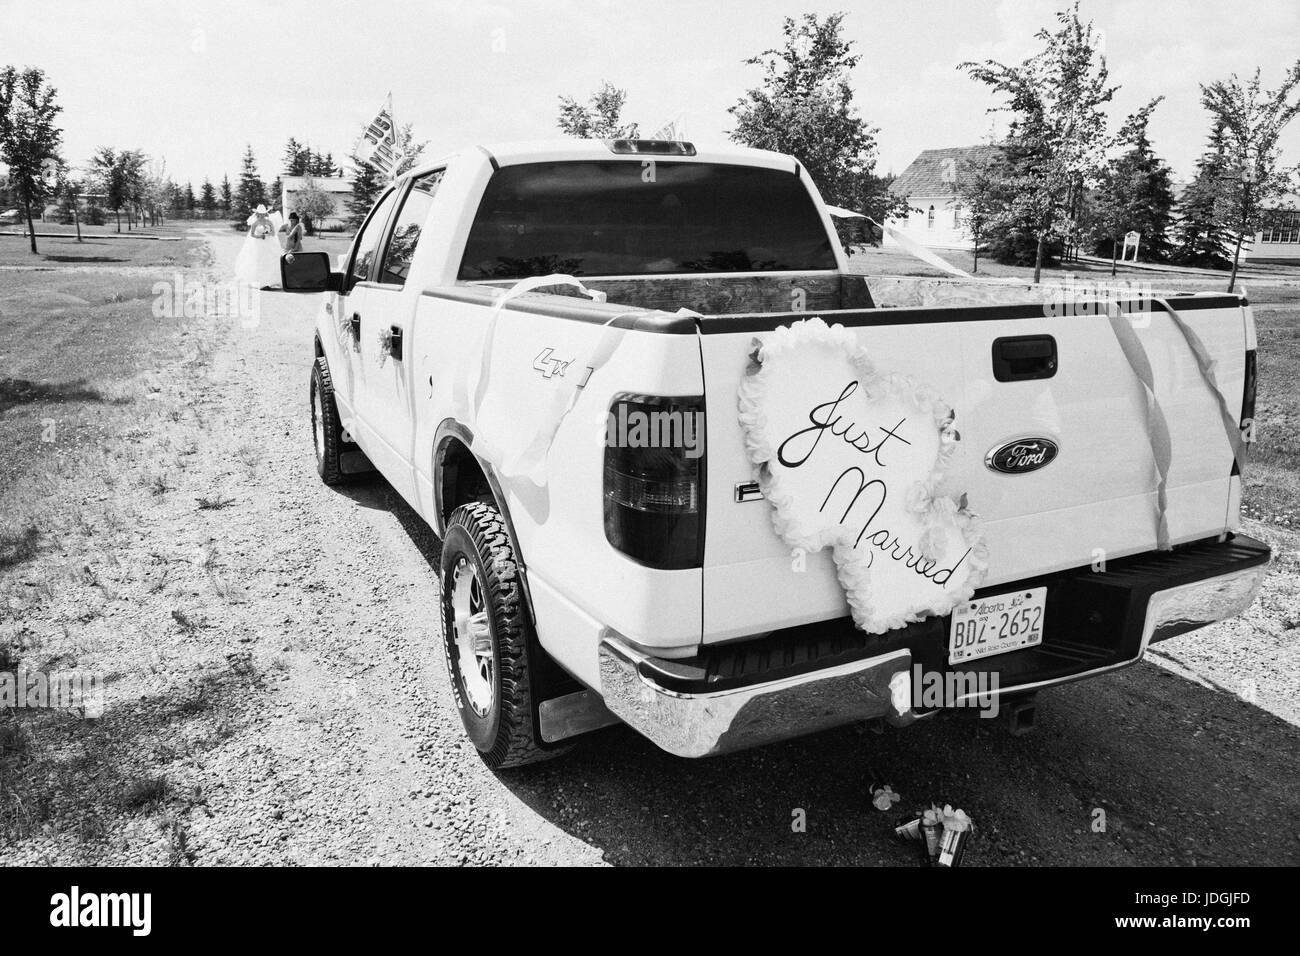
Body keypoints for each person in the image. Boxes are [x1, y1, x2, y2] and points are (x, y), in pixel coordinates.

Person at [234, 204, 283, 289]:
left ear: (265, 214)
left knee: (269, 260)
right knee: (259, 261)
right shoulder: (255, 223)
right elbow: (252, 234)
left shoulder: (269, 222)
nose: (261, 215)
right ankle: (261, 282)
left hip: (268, 244)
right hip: (258, 245)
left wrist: (267, 234)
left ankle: (269, 282)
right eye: (260, 214)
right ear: (257, 214)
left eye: (263, 214)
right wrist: (260, 236)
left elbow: (273, 233)